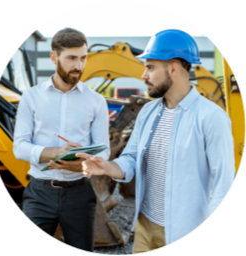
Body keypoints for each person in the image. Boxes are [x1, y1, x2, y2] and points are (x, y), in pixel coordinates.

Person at [76, 29, 235, 253]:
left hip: (184, 233)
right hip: (143, 229)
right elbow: (131, 159)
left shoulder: (211, 117)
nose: (143, 75)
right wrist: (107, 167)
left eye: (150, 68)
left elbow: (224, 186)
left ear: (173, 69)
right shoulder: (148, 112)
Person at [13, 27, 110, 251]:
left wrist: (84, 165)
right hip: (39, 193)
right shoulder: (31, 97)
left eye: (83, 58)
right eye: (71, 58)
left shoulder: (96, 101)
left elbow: (104, 149)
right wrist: (56, 153)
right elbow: (19, 148)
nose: (79, 66)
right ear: (54, 57)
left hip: (80, 193)